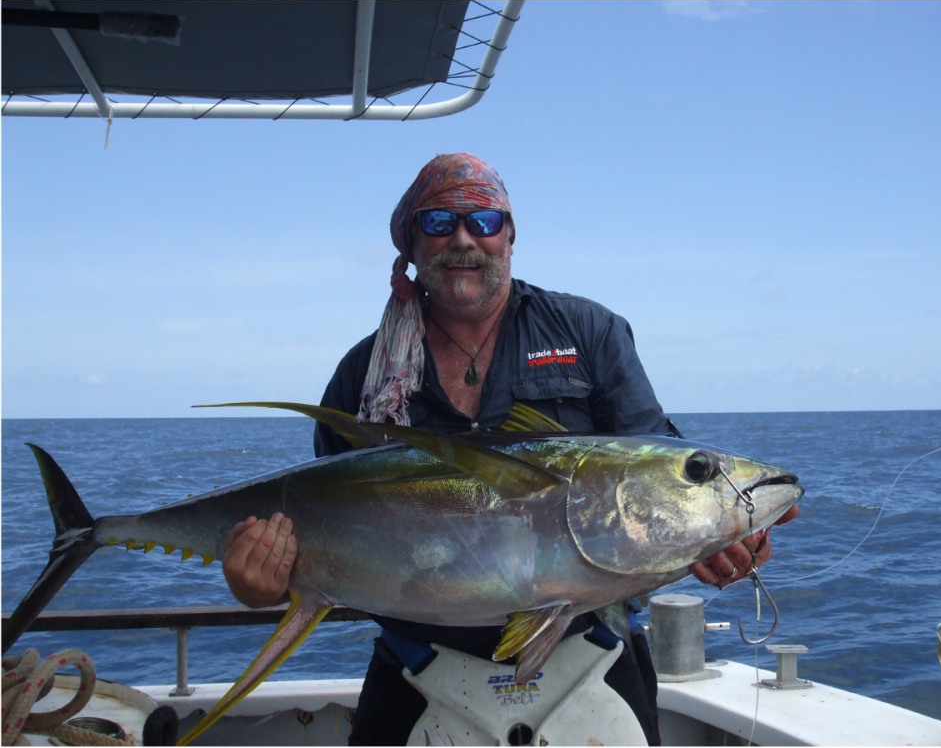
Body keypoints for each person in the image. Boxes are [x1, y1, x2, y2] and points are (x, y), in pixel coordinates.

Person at [221, 153, 800, 745]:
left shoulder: (587, 333)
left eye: (485, 221)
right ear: (411, 243)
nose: (464, 239)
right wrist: (260, 583)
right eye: (440, 222)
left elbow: (657, 464)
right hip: (415, 663)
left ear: (511, 236)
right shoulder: (364, 373)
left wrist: (720, 538)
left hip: (592, 651)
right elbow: (322, 529)